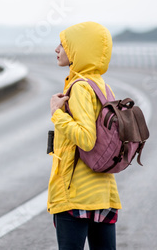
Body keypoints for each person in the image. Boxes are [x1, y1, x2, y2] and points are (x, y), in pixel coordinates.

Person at [47, 21, 121, 250]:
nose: (57, 49)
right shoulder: (103, 87)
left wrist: (57, 114)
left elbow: (87, 139)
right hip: (103, 192)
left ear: (79, 49)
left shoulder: (79, 87)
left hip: (76, 194)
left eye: (63, 44)